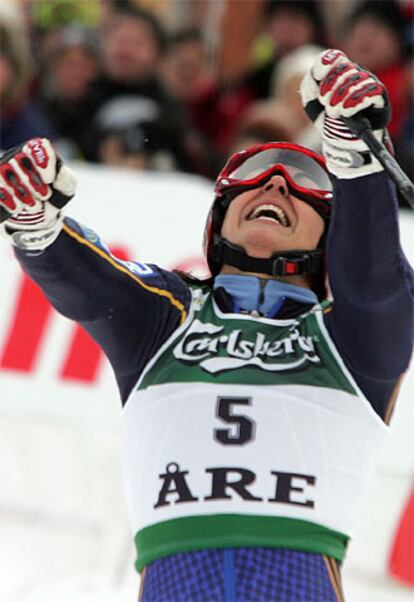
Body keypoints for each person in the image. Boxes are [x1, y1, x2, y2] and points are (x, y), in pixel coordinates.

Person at [0, 49, 413, 601]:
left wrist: (352, 152)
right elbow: (90, 284)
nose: (275, 186)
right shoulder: (165, 316)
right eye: (253, 178)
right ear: (215, 225)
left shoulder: (353, 342)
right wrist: (33, 222)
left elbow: (375, 283)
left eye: (301, 181)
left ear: (329, 242)